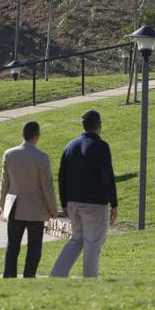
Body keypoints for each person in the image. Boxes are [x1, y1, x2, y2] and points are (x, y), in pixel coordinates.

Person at [50, 110, 118, 278]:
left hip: (73, 202)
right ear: (99, 126)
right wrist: (114, 204)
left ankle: (57, 275)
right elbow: (107, 176)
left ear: (83, 126)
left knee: (77, 239)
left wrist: (64, 202)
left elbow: (62, 177)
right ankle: (89, 281)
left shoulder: (70, 146)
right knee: (93, 243)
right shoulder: (101, 146)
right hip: (95, 203)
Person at [0, 121, 59, 278]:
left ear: (22, 135)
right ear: (37, 136)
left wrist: (2, 204)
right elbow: (47, 187)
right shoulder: (41, 158)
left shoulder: (9, 154)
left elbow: (4, 183)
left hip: (14, 206)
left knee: (12, 246)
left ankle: (9, 277)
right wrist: (53, 209)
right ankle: (29, 276)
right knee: (34, 247)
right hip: (36, 209)